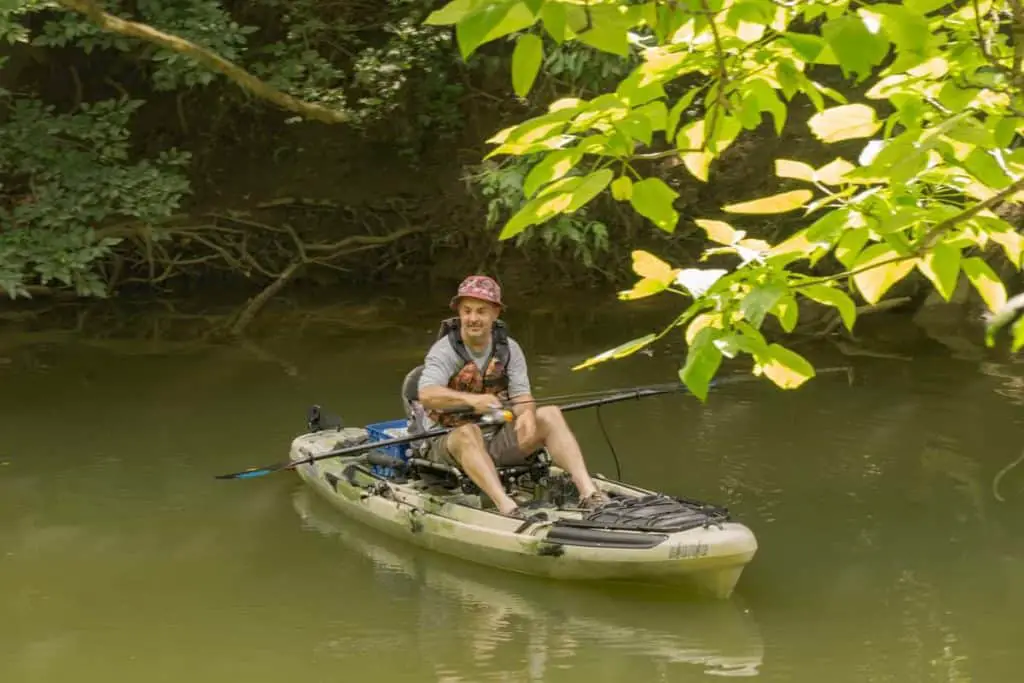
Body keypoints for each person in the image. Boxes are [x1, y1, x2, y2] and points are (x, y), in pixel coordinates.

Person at [414, 274, 610, 518]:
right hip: (447, 444)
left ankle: (589, 494)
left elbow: (522, 396)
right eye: (467, 311)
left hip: (494, 437)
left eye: (481, 311)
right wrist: (473, 401)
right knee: (467, 432)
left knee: (549, 414)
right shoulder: (444, 350)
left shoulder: (509, 349)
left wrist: (526, 414)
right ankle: (508, 508)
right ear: (459, 313)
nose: (472, 318)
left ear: (495, 313)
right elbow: (427, 395)